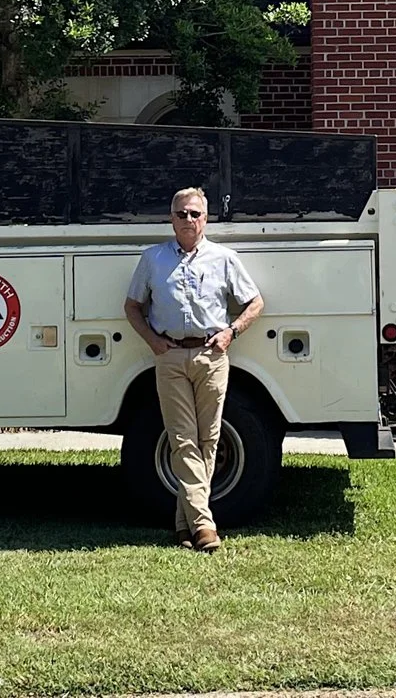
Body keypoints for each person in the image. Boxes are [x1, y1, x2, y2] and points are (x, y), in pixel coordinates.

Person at [123, 185, 263, 552]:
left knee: (209, 440)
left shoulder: (224, 258)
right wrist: (152, 341)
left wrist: (232, 332)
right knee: (181, 438)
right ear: (171, 219)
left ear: (206, 218)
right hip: (170, 357)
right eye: (182, 213)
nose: (189, 219)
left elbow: (255, 301)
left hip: (211, 357)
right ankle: (205, 526)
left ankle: (184, 524)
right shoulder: (153, 259)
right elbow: (132, 306)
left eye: (195, 213)